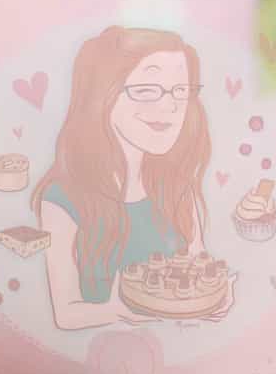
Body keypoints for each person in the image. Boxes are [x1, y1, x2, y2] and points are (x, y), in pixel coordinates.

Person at [35, 26, 213, 337]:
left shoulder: (178, 189)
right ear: (103, 93)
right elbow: (65, 313)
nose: (170, 106)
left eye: (180, 90)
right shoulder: (63, 199)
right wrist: (116, 310)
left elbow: (199, 276)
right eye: (147, 89)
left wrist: (210, 303)